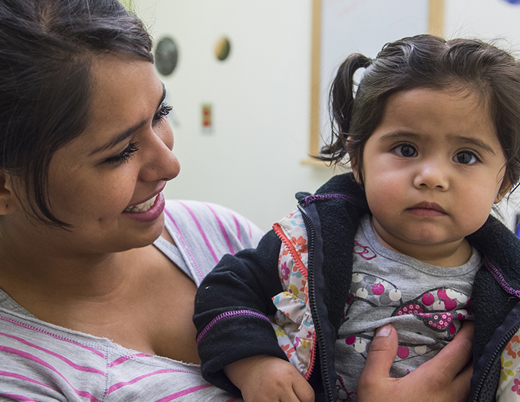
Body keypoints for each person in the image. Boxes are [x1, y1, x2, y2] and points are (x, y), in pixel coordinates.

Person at [0, 2, 475, 400]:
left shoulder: (215, 233)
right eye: (119, 153)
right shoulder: (20, 377)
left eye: (161, 113)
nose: (170, 165)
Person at [193, 34, 520, 401]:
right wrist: (254, 364)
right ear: (358, 162)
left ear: (503, 181)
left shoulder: (509, 288)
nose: (431, 176)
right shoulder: (306, 241)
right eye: (406, 149)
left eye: (465, 157)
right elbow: (223, 292)